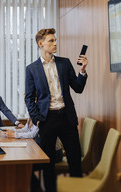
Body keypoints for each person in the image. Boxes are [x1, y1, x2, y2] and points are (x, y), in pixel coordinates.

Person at [25, 28, 88, 192]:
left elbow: (78, 88)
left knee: (74, 160)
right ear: (41, 44)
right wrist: (38, 119)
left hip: (67, 117)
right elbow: (29, 98)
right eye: (51, 41)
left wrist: (82, 71)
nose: (55, 43)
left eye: (55, 40)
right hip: (47, 120)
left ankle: (77, 189)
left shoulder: (64, 63)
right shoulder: (31, 69)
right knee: (48, 163)